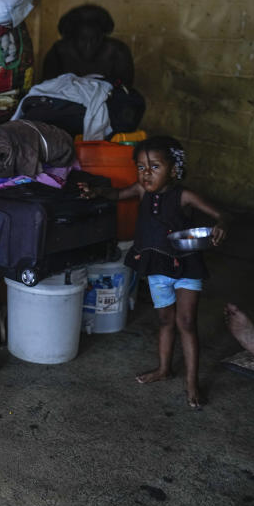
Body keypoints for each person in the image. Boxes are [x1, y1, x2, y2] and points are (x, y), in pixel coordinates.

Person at [82, 136, 227, 408]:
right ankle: (164, 369)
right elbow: (116, 194)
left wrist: (221, 225)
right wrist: (96, 191)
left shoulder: (184, 195)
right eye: (140, 167)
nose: (146, 173)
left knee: (186, 322)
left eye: (154, 167)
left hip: (186, 266)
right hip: (157, 268)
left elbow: (222, 215)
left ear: (173, 170)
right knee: (165, 320)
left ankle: (192, 383)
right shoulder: (140, 190)